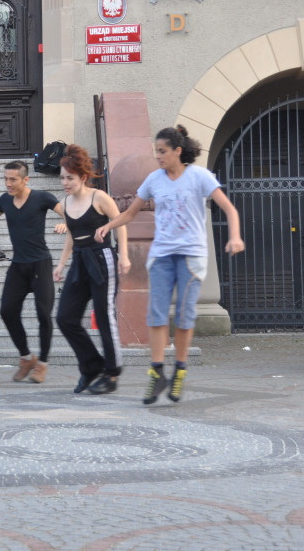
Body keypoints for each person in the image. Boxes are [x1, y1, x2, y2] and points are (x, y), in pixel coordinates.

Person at [96, 125, 245, 405]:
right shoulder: (154, 180)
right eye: (156, 152)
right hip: (162, 255)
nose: (158, 157)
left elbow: (229, 208)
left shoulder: (199, 177)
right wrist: (107, 226)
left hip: (191, 256)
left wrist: (235, 236)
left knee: (185, 316)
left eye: (162, 152)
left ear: (178, 151)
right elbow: (130, 212)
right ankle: (157, 372)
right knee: (156, 315)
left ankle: (179, 370)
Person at [0, 161, 64, 383]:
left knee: (44, 315)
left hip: (40, 264)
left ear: (26, 180)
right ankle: (26, 357)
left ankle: (42, 363)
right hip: (19, 266)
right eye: (6, 179)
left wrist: (66, 224)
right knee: (7, 310)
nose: (8, 183)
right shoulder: (5, 200)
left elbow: (68, 213)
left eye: (13, 179)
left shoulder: (42, 198)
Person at [51, 144, 131, 395]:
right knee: (65, 317)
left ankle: (112, 372)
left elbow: (121, 224)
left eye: (69, 178)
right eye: (62, 178)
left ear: (83, 177)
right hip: (79, 262)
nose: (64, 182)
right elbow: (71, 236)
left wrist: (124, 257)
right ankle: (91, 366)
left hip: (102, 260)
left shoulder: (99, 198)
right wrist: (62, 264)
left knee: (105, 317)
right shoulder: (64, 203)